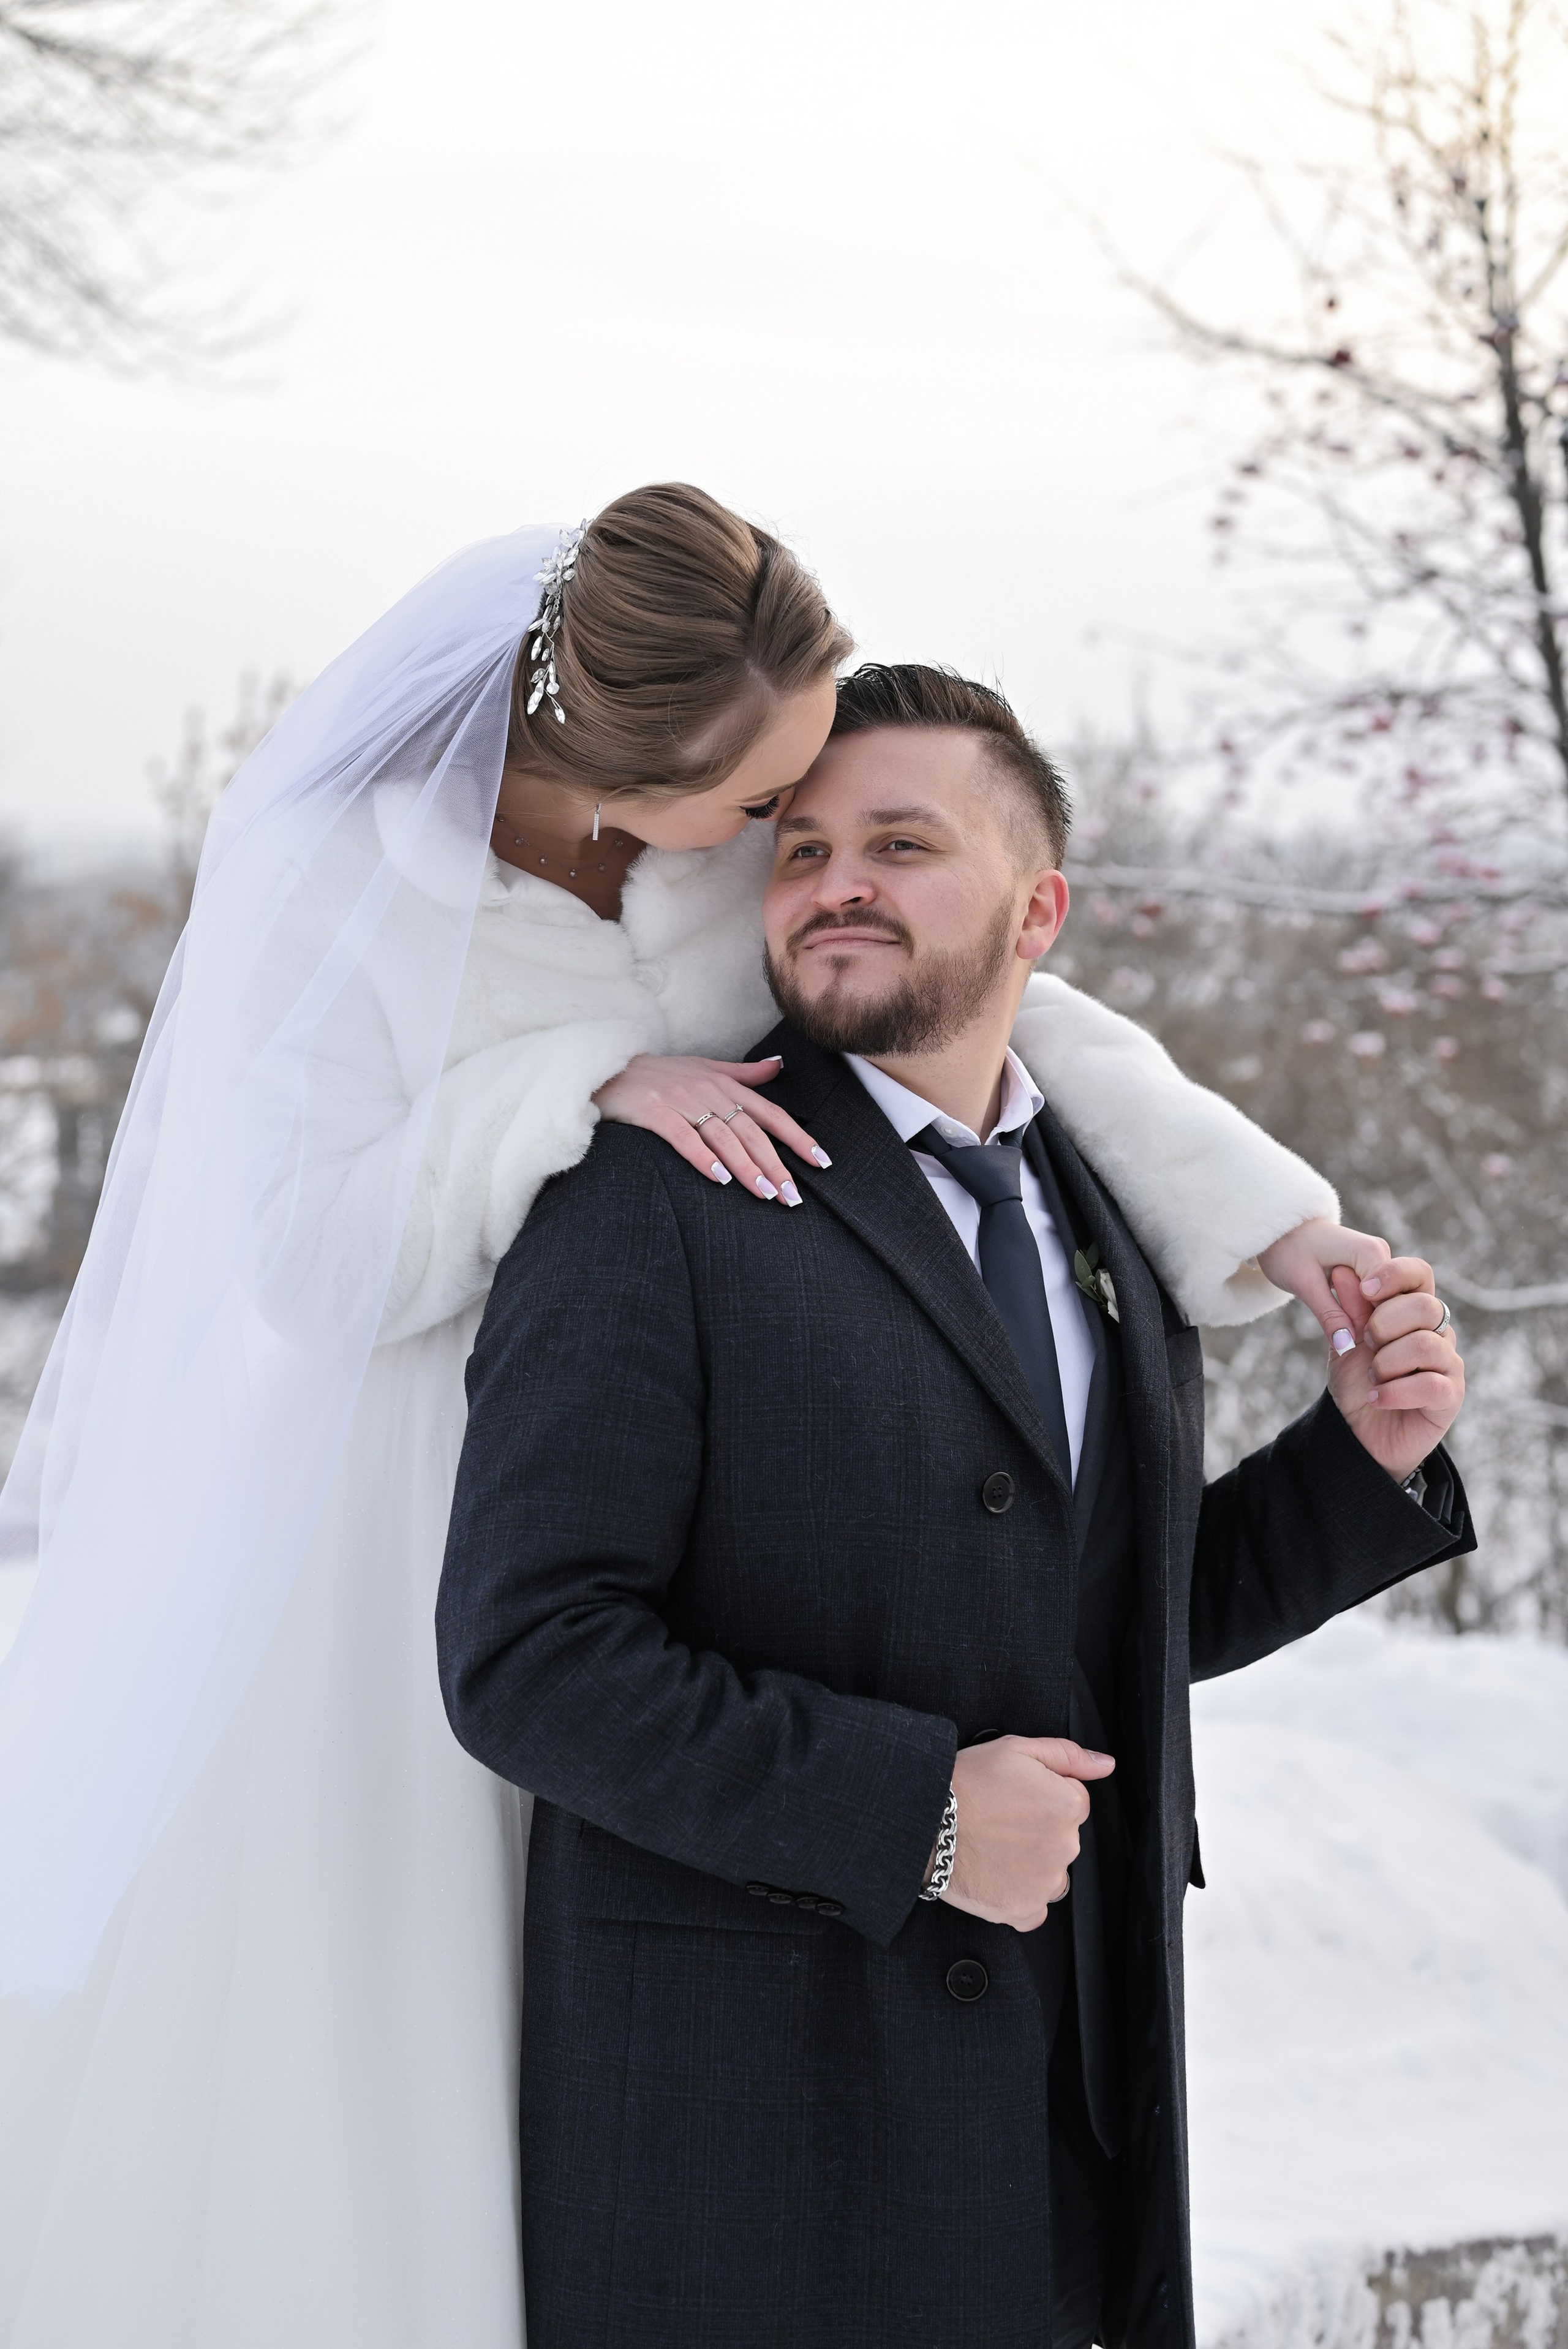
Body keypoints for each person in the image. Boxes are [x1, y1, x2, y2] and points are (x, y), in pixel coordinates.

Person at [0, 492, 1384, 2348]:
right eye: (768, 815)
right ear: (624, 777)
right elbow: (310, 1260)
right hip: (427, 1481)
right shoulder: (353, 877)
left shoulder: (728, 836)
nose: (792, 856)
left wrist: (1276, 1222)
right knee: (422, 2073)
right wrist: (576, 1087)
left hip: (726, 1468)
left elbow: (1033, 1014)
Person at [436, 662, 1472, 2349]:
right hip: (745, 2170)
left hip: (1059, 2160)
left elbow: (1096, 1620)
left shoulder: (1102, 1206)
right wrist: (915, 1810)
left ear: (1037, 908)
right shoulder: (648, 1196)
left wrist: (1357, 1455)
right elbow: (528, 1657)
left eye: (903, 842)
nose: (838, 880)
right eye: (805, 848)